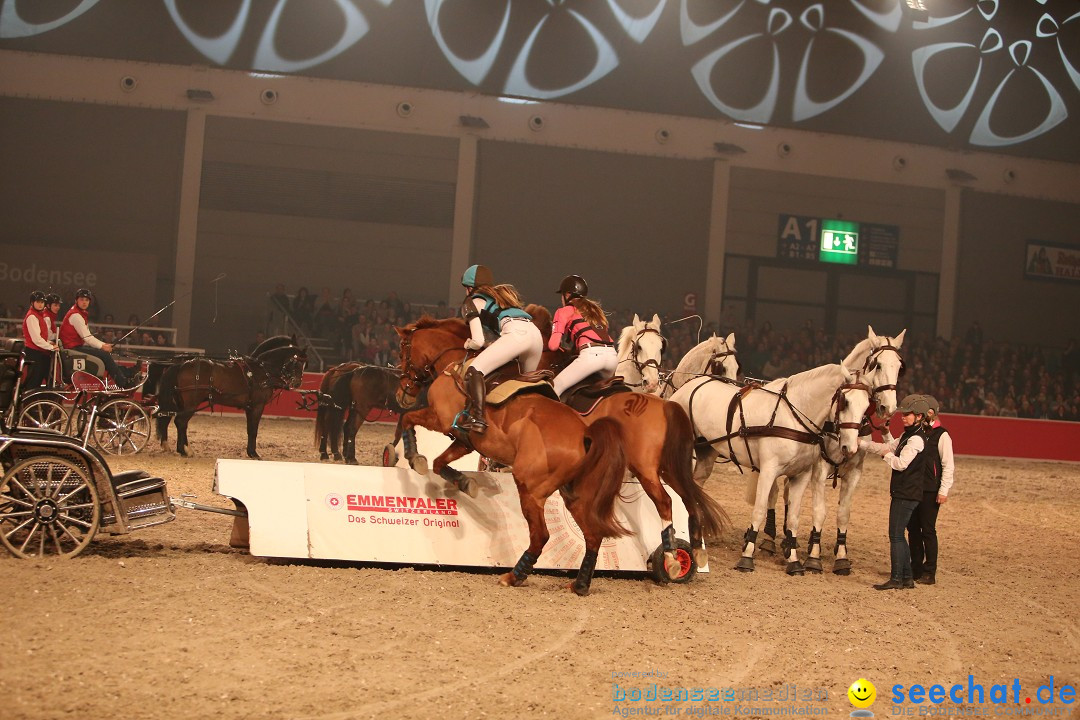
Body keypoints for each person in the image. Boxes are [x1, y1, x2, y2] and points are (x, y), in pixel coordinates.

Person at [456, 264, 542, 434]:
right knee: (524, 384)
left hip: (516, 335)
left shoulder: (470, 302)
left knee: (474, 370)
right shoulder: (501, 297)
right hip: (535, 335)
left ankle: (478, 419)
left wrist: (467, 344)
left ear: (469, 288)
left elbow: (478, 341)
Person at [859, 394, 931, 590]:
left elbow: (900, 464)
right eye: (904, 414)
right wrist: (862, 443)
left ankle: (896, 578)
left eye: (908, 415)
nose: (903, 417)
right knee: (899, 535)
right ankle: (906, 578)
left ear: (919, 417)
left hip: (906, 493)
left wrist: (886, 455)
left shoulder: (916, 439)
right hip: (905, 491)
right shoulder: (908, 435)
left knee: (896, 535)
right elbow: (889, 446)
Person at [907, 394, 955, 585]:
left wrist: (943, 490)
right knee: (912, 530)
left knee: (927, 530)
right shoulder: (915, 433)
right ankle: (915, 567)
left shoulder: (942, 435)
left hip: (930, 489)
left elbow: (948, 464)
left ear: (932, 413)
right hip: (913, 488)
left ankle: (930, 571)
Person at [547, 274, 618, 397]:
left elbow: (553, 346)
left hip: (591, 357)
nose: (562, 299)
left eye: (562, 295)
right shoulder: (596, 311)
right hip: (612, 357)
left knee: (554, 388)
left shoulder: (563, 311)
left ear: (567, 295)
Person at [59, 288, 133, 388]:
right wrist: (103, 346)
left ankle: (125, 375)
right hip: (72, 349)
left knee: (104, 355)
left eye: (87, 300)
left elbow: (88, 336)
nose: (84, 302)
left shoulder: (79, 313)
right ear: (76, 300)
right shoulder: (76, 315)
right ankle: (123, 383)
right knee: (105, 355)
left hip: (75, 347)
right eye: (82, 299)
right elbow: (87, 338)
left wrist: (103, 345)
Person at [22, 290, 57, 388]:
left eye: (42, 302)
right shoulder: (32, 316)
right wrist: (51, 347)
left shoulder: (38, 315)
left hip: (38, 352)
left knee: (37, 379)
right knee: (34, 380)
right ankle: (28, 402)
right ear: (32, 302)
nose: (40, 304)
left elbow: (42, 337)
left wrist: (49, 343)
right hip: (33, 352)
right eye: (38, 302)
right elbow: (36, 339)